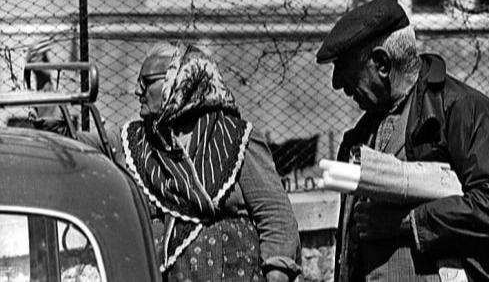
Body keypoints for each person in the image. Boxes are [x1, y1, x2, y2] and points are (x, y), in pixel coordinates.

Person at [32, 41, 302, 282]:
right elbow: (70, 144)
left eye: (146, 81)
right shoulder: (134, 140)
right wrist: (47, 92)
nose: (137, 90)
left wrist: (276, 274)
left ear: (178, 81)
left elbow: (276, 217)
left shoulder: (236, 138)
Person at [315, 0, 489, 282]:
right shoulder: (362, 133)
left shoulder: (464, 112)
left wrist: (409, 222)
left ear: (382, 63)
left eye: (346, 66)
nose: (336, 83)